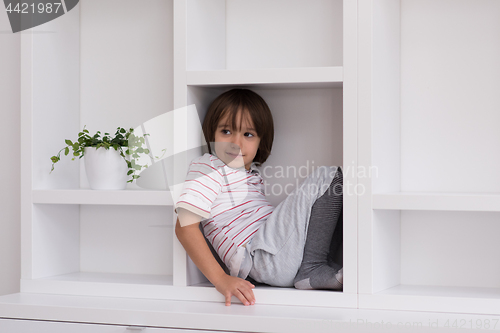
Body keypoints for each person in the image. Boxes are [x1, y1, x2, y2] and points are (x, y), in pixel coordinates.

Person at [175, 88, 343, 306]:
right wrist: (221, 280)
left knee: (346, 192)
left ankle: (316, 268)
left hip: (275, 259)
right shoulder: (208, 167)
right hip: (260, 256)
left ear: (260, 142)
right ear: (211, 135)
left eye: (248, 134)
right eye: (226, 131)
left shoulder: (250, 176)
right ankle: (313, 267)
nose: (236, 142)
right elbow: (185, 227)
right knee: (328, 176)